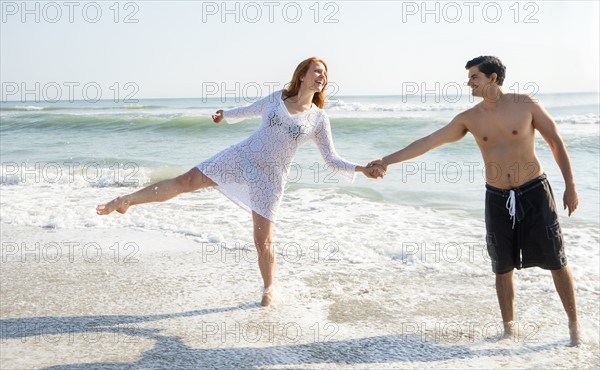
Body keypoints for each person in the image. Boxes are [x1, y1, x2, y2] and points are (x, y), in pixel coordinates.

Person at [97, 57, 382, 307]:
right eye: (317, 71)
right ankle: (125, 201)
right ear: (302, 75)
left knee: (263, 240)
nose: (322, 77)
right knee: (187, 180)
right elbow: (249, 109)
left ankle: (269, 289)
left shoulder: (319, 119)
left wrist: (362, 169)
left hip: (270, 178)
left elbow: (331, 159)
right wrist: (225, 115)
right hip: (241, 156)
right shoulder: (277, 98)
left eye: (325, 74)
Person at [369, 56, 580, 346]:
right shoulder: (470, 118)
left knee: (556, 259)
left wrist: (570, 185)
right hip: (496, 196)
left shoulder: (525, 104)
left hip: (534, 192)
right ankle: (508, 330)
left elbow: (556, 141)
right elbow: (428, 141)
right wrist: (386, 161)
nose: (468, 82)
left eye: (474, 77)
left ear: (492, 78)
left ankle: (574, 327)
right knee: (501, 266)